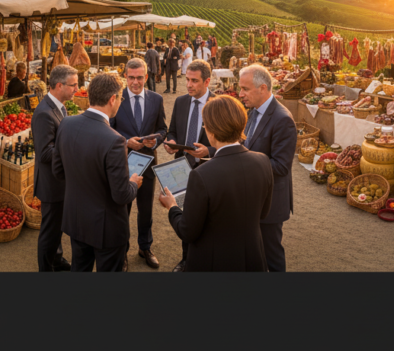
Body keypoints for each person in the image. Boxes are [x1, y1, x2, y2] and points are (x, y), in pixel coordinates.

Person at [158, 95, 274, 272]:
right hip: (252, 256)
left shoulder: (201, 175)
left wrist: (172, 206)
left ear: (211, 131)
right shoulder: (263, 161)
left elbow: (187, 231)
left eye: (205, 125)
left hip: (213, 260)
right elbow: (263, 213)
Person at [53, 73, 144, 272]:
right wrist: (133, 183)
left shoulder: (66, 124)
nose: (120, 102)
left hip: (76, 219)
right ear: (112, 99)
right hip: (106, 228)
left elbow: (58, 171)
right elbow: (121, 195)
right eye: (120, 98)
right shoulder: (115, 139)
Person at [237, 63, 297, 272]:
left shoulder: (283, 119)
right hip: (253, 196)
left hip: (271, 202)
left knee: (272, 255)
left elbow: (281, 166)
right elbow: (245, 144)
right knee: (254, 250)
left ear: (262, 88)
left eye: (245, 89)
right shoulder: (253, 111)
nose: (240, 93)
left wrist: (244, 161)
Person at [109, 58, 167, 270]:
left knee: (146, 210)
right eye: (131, 77)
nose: (135, 82)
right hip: (123, 164)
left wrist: (157, 140)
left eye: (140, 77)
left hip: (148, 164)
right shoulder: (115, 99)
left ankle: (145, 247)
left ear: (147, 76)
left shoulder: (156, 99)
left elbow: (163, 128)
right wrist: (126, 141)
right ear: (125, 76)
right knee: (123, 210)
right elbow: (109, 129)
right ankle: (121, 252)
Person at [163, 59, 214, 272]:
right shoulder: (181, 102)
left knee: (208, 219)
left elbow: (232, 141)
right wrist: (172, 142)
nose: (189, 85)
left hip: (208, 170)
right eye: (187, 80)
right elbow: (172, 130)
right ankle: (186, 260)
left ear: (207, 81)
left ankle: (206, 260)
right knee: (185, 216)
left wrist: (209, 152)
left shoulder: (218, 104)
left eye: (194, 81)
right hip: (181, 168)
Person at [31, 65, 78, 272]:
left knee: (57, 228)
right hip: (51, 185)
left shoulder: (60, 105)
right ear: (59, 85)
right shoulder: (43, 113)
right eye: (73, 85)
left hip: (60, 182)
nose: (77, 88)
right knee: (49, 233)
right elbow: (44, 153)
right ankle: (46, 269)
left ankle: (56, 259)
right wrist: (73, 149)